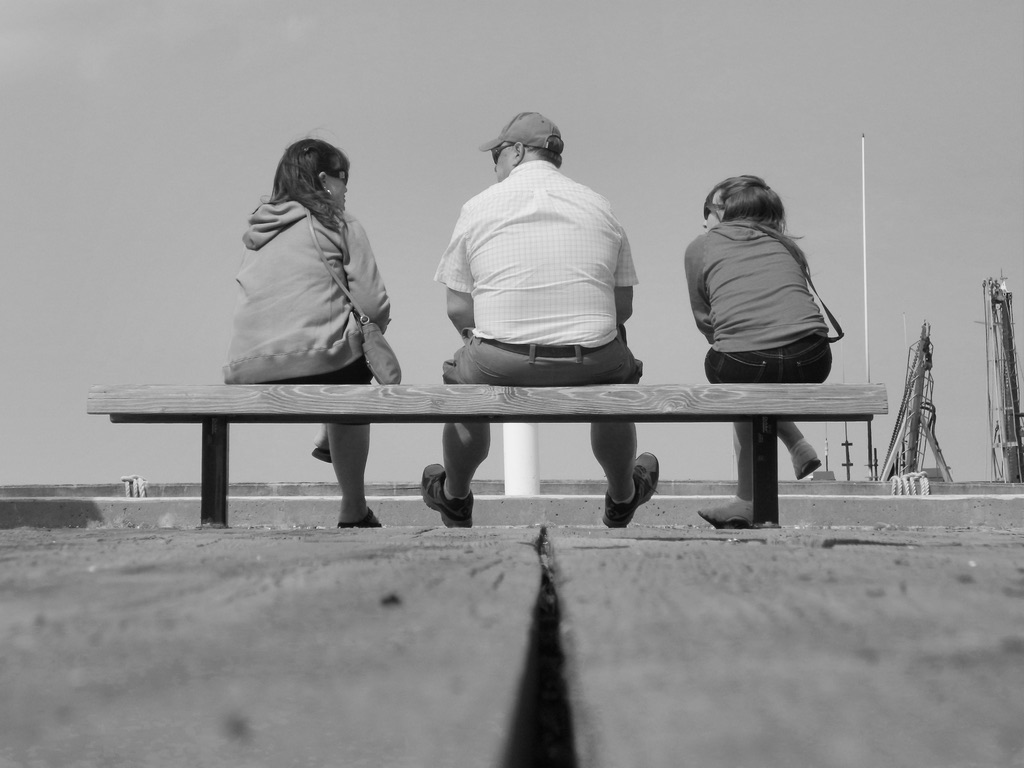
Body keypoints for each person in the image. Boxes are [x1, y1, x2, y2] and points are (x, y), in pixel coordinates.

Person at [422, 112, 659, 528]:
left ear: (515, 152)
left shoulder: (478, 206)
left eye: (496, 154)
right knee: (618, 378)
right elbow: (623, 307)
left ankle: (455, 495)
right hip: (594, 358)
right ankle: (622, 495)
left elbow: (457, 307)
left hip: (500, 360)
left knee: (460, 380)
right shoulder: (600, 205)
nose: (494, 164)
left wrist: (492, 341)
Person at [224, 138, 392, 528]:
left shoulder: (256, 234)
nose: (347, 189)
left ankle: (325, 432)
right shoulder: (340, 222)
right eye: (343, 178)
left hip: (247, 369)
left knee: (341, 359)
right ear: (322, 180)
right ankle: (353, 508)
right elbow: (374, 305)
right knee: (353, 372)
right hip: (320, 365)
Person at [684, 175, 832, 528]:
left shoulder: (700, 247)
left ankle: (748, 499)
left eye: (707, 209)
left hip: (742, 361)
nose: (703, 219)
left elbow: (706, 321)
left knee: (738, 378)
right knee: (748, 383)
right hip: (812, 357)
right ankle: (794, 446)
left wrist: (743, 343)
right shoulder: (785, 246)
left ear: (724, 211)